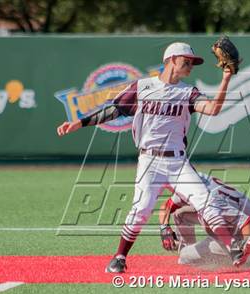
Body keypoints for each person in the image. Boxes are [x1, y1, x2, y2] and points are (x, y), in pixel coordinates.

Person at [57, 42, 236, 273]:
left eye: (193, 62)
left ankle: (234, 248)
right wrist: (79, 123)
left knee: (205, 199)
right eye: (187, 61)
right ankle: (120, 257)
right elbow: (113, 110)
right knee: (141, 209)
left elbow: (212, 109)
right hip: (149, 161)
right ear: (171, 59)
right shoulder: (142, 87)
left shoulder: (187, 92)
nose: (191, 65)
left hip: (177, 162)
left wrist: (226, 78)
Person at [159, 172, 250, 267]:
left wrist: (248, 243)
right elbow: (166, 206)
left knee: (184, 257)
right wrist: (165, 229)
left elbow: (246, 221)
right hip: (243, 216)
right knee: (180, 214)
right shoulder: (194, 181)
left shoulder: (211, 200)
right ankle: (191, 249)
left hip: (247, 231)